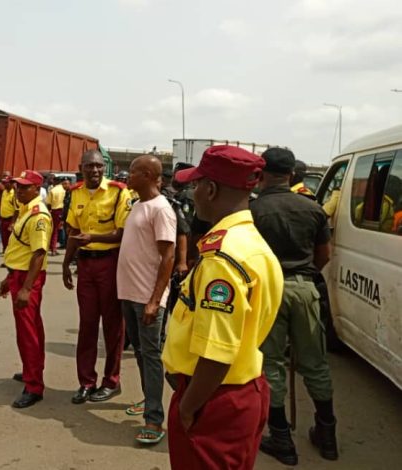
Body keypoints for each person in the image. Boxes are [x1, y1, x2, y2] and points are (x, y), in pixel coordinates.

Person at [162, 145, 284, 470]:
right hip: (242, 388)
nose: (193, 193)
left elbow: (217, 353)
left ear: (211, 189)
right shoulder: (251, 243)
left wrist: (187, 408)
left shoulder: (222, 258)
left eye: (196, 185)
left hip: (213, 399)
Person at [251, 148, 338, 465]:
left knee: (271, 364)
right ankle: (328, 436)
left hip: (269, 290)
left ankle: (282, 439)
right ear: (291, 174)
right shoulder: (313, 208)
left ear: (261, 173)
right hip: (305, 287)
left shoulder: (253, 210)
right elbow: (323, 255)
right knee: (315, 363)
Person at [62, 149, 132, 404]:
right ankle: (86, 382)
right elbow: (73, 231)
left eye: (99, 166)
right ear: (81, 168)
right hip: (86, 265)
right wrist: (66, 264)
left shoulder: (118, 192)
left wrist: (93, 237)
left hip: (110, 263)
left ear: (105, 168)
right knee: (87, 325)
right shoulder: (76, 193)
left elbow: (122, 233)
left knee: (113, 325)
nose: (94, 170)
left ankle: (111, 381)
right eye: (89, 166)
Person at [117, 155, 176, 445]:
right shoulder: (138, 205)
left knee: (151, 355)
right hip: (129, 293)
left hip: (146, 297)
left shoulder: (161, 209)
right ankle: (148, 398)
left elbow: (168, 256)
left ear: (148, 175)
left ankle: (154, 419)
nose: (128, 176)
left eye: (133, 171)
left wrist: (154, 300)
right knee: (140, 352)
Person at [0, 171, 52, 408]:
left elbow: (39, 253)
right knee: (27, 330)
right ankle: (31, 369)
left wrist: (26, 288)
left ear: (36, 189)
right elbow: (21, 249)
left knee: (28, 331)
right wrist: (9, 277)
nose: (18, 191)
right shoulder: (25, 210)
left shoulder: (38, 215)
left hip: (27, 278)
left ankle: (34, 386)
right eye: (17, 186)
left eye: (24, 187)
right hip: (18, 274)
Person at [45, 176, 66, 256]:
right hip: (62, 210)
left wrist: (49, 211)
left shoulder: (53, 190)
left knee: (54, 230)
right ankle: (54, 248)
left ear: (55, 181)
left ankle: (52, 248)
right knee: (58, 229)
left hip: (54, 211)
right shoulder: (64, 190)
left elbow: (48, 203)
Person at [0, 177, 19, 251]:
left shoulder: (14, 195)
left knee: (10, 242)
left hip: (10, 220)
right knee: (4, 241)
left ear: (11, 184)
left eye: (5, 183)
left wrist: (12, 223)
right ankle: (5, 255)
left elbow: (17, 210)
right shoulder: (4, 192)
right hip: (3, 220)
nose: (3, 184)